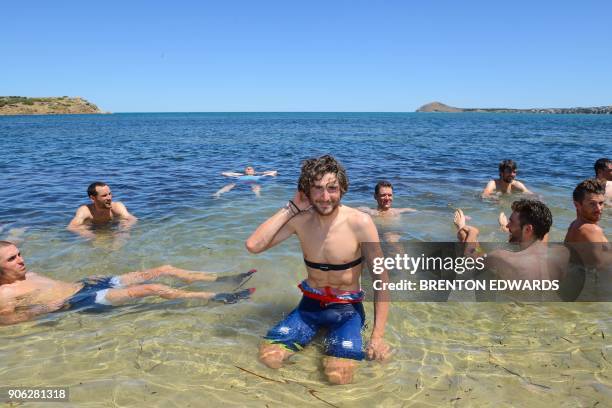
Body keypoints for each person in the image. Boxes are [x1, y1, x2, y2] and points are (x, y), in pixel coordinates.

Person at [245, 155, 390, 385]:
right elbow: (254, 245)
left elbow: (381, 279)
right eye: (317, 189)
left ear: (342, 188)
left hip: (347, 311)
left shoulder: (360, 223)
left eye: (332, 188)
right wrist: (291, 208)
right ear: (307, 192)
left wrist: (377, 337)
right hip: (309, 307)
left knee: (337, 377)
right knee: (268, 359)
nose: (325, 197)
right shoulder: (300, 220)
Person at [0, 241, 255, 325]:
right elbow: (7, 320)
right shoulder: (4, 293)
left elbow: (49, 286)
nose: (21, 259)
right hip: (81, 301)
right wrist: (45, 309)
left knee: (163, 269)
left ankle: (224, 278)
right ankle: (217, 296)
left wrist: (83, 280)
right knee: (152, 289)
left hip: (86, 286)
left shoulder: (28, 274)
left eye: (19, 253)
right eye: (13, 258)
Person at [454, 199, 567, 282]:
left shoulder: (503, 257)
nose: (508, 226)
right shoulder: (562, 253)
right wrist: (508, 227)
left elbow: (471, 256)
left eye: (511, 222)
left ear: (528, 229)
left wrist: (468, 230)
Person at [564, 179, 609, 269]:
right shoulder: (590, 230)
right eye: (592, 204)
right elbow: (601, 268)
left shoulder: (575, 224)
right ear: (577, 205)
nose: (599, 208)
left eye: (601, 203)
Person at [68, 182, 137, 238]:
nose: (109, 198)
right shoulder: (85, 210)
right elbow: (72, 227)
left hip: (113, 228)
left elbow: (132, 219)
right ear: (93, 198)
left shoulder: (116, 206)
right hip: (94, 229)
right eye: (104, 195)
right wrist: (93, 236)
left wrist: (124, 230)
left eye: (110, 194)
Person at [213, 166, 278, 198]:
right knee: (231, 185)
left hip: (253, 181)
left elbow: (274, 172)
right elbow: (223, 173)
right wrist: (239, 174)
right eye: (247, 169)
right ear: (245, 171)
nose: (248, 169)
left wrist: (259, 172)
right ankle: (217, 193)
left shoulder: (258, 175)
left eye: (250, 169)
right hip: (241, 182)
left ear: (253, 171)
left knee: (255, 185)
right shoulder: (241, 175)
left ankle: (258, 196)